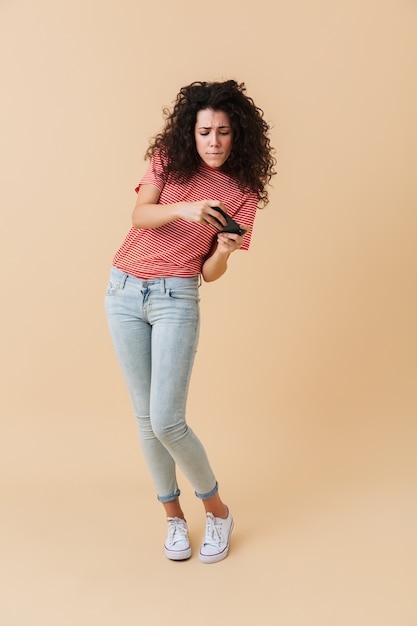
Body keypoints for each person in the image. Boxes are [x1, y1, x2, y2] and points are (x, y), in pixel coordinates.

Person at [105, 80, 275, 563]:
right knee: (145, 420)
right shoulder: (166, 157)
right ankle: (174, 518)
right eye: (205, 131)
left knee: (167, 420)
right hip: (123, 291)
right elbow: (139, 215)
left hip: (177, 296)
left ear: (237, 135)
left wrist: (222, 250)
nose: (214, 141)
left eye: (223, 132)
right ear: (191, 133)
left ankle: (218, 512)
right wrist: (187, 207)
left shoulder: (244, 191)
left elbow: (210, 274)